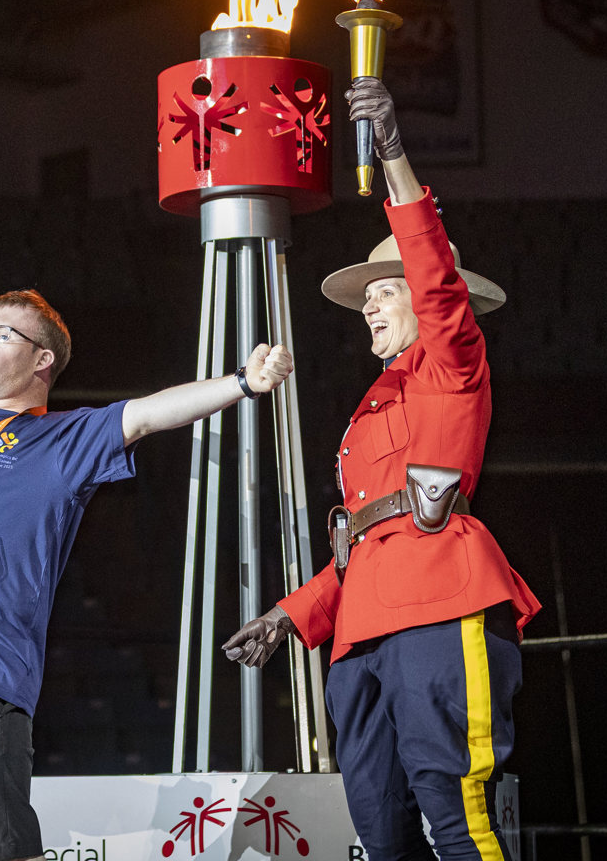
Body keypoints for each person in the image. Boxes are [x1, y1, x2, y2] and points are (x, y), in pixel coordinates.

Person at [0, 288, 293, 861]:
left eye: (2, 334)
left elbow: (147, 414)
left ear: (42, 359)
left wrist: (243, 382)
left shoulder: (64, 440)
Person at [223, 79, 541, 861]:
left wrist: (393, 153)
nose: (368, 304)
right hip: (362, 631)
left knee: (454, 811)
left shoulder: (453, 364)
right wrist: (290, 615)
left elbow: (437, 285)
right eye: (366, 295)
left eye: (384, 290)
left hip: (439, 603)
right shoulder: (376, 400)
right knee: (380, 829)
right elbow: (368, 540)